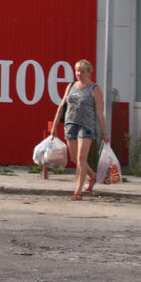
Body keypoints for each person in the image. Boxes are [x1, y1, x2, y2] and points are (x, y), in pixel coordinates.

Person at [50, 59, 110, 200]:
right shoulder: (71, 86)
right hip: (71, 124)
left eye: (83, 71)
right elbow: (62, 106)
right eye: (77, 71)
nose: (79, 74)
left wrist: (105, 132)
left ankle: (78, 191)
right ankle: (93, 176)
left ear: (89, 73)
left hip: (86, 126)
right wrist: (54, 126)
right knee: (74, 158)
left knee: (81, 158)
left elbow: (100, 113)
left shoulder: (94, 89)